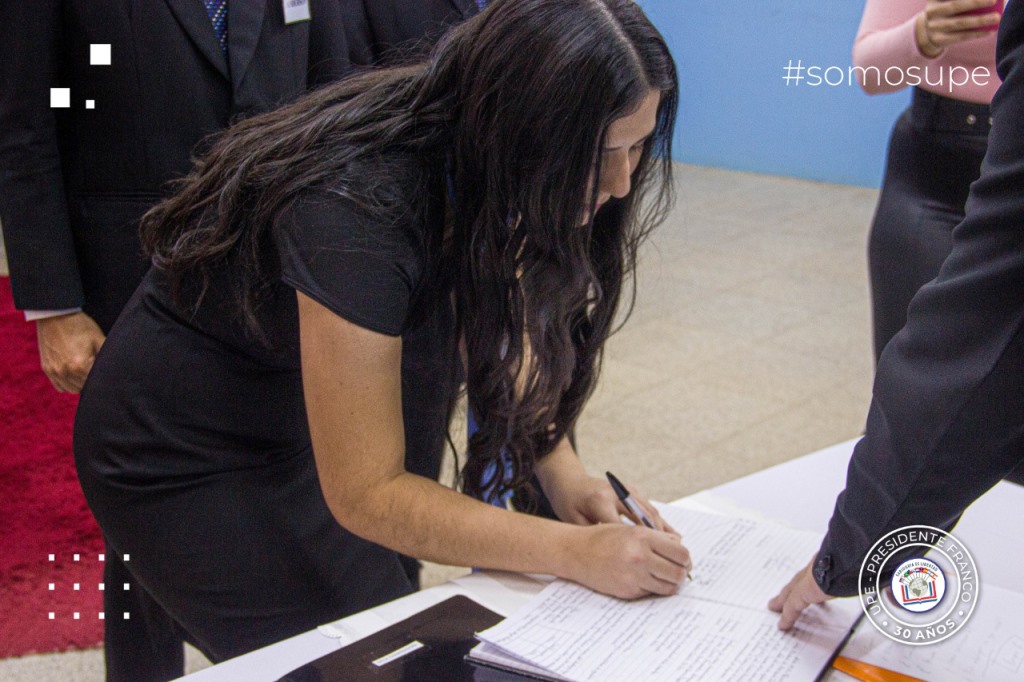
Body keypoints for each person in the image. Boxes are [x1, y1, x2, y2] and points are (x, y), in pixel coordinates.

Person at [73, 0, 691, 674]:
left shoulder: (481, 147)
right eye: (604, 152)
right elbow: (367, 492)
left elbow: (488, 320)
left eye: (638, 146)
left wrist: (562, 470)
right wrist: (574, 553)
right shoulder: (358, 203)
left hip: (297, 416)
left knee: (388, 633)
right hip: (174, 448)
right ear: (525, 123)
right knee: (350, 660)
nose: (623, 181)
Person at [0, 3, 351, 679]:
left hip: (274, 275)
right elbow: (28, 124)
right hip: (127, 280)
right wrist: (55, 305)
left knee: (287, 494)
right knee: (144, 512)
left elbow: (329, 90)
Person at [770, 0, 1024, 630]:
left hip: (1001, 158)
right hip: (934, 160)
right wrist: (920, 36)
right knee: (917, 368)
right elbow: (866, 66)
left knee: (968, 379)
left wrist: (849, 557)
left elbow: (974, 356)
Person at [853, 0, 1002, 363]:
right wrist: (921, 35)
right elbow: (869, 73)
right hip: (933, 172)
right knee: (909, 376)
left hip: (1010, 162)